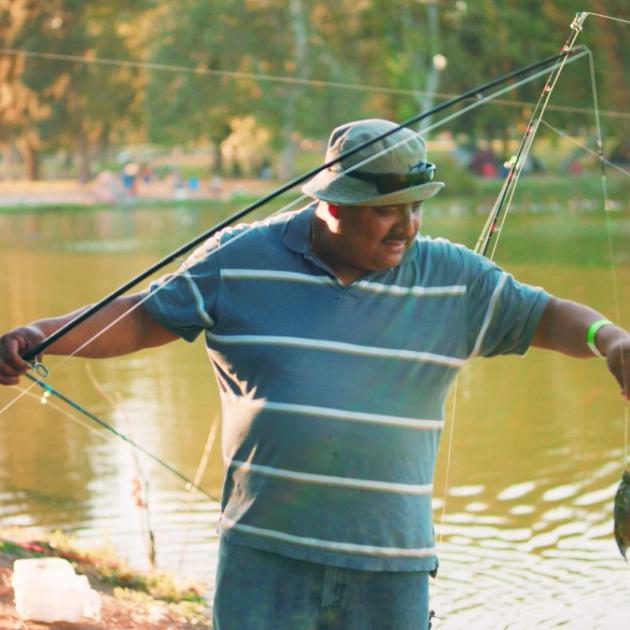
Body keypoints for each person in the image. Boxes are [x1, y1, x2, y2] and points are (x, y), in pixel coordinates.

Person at [0, 119, 629, 629]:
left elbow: (550, 318)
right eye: (386, 209)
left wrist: (611, 339)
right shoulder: (240, 258)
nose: (407, 225)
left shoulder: (453, 276)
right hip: (264, 559)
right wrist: (40, 335)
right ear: (333, 204)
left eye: (415, 206)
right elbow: (139, 317)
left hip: (391, 567)